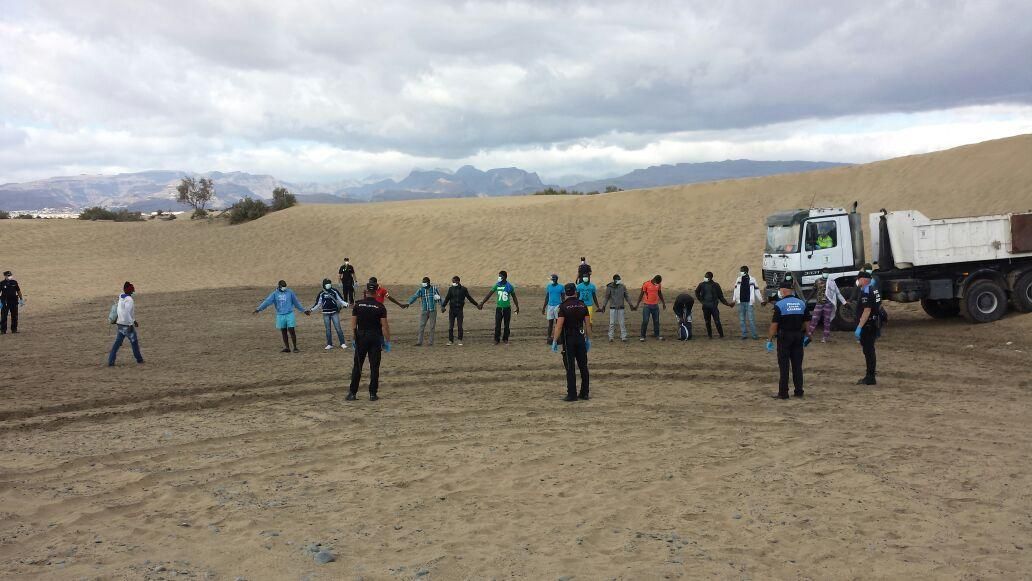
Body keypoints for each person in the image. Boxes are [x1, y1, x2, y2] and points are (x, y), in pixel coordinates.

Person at [766, 280, 812, 399]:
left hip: (784, 337)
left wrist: (769, 340)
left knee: (784, 366)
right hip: (798, 336)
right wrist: (808, 335)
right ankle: (799, 391)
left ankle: (783, 393)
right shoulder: (801, 303)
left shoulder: (780, 305)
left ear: (783, 290)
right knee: (797, 366)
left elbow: (774, 325)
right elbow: (807, 322)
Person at [347, 282, 392, 401]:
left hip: (361, 337)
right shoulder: (380, 306)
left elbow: (353, 324)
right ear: (377, 292)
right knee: (374, 367)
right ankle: (372, 394)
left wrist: (353, 338)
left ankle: (352, 393)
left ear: (366, 291)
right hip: (375, 338)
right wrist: (387, 341)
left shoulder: (358, 305)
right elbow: (384, 326)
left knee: (357, 366)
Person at [552, 282, 591, 401]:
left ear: (565, 293)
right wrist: (589, 339)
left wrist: (554, 341)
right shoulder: (582, 305)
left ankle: (572, 394)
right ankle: (584, 393)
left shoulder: (563, 307)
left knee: (570, 368)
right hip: (580, 337)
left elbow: (559, 326)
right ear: (575, 292)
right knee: (583, 366)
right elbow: (588, 325)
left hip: (569, 339)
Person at [254, 280, 311, 353]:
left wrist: (304, 310)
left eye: (285, 286)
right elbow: (267, 302)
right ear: (279, 286)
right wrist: (259, 309)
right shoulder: (274, 294)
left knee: (292, 330)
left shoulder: (290, 292)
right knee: (283, 332)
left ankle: (295, 347)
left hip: (289, 314)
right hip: (280, 315)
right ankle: (287, 348)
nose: (284, 288)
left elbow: (296, 302)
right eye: (283, 286)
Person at [855, 271, 883, 386]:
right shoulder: (874, 289)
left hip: (868, 325)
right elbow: (880, 306)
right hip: (874, 323)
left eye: (859, 279)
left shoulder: (866, 291)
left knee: (868, 351)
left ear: (863, 279)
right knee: (870, 350)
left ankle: (870, 377)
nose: (858, 281)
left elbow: (867, 310)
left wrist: (859, 327)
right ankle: (870, 375)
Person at [108, 281, 144, 366]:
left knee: (117, 344)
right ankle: (139, 360)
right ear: (131, 290)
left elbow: (123, 311)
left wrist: (134, 320)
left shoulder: (121, 296)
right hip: (127, 325)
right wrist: (131, 324)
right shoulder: (130, 300)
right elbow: (127, 313)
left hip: (119, 324)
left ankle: (110, 361)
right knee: (134, 343)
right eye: (132, 290)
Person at [807, 268, 847, 342]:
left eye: (827, 272)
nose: (826, 273)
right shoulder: (817, 281)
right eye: (825, 272)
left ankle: (825, 337)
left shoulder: (832, 282)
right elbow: (813, 290)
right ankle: (809, 334)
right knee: (814, 319)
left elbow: (838, 293)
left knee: (827, 320)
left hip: (828, 303)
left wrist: (844, 302)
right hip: (819, 303)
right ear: (822, 273)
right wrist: (807, 300)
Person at [480, 270, 519, 345]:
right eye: (499, 276)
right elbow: (489, 294)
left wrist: (517, 306)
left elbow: (514, 297)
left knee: (506, 325)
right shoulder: (497, 285)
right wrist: (482, 303)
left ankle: (505, 339)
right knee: (497, 324)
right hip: (499, 308)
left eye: (500, 276)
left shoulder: (509, 286)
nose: (499, 277)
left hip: (507, 308)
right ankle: (496, 339)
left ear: (505, 277)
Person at [310, 278, 349, 350]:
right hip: (325, 313)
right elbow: (318, 304)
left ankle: (342, 343)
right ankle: (329, 344)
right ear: (324, 285)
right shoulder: (321, 293)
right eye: (327, 283)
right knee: (328, 329)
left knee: (338, 328)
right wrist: (311, 310)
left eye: (329, 283)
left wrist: (346, 304)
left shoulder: (334, 291)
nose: (329, 285)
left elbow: (340, 300)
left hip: (334, 312)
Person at [442, 275, 479, 346]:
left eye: (454, 281)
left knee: (460, 325)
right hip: (452, 310)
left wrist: (476, 304)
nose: (453, 283)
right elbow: (447, 298)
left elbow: (469, 298)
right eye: (452, 282)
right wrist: (443, 306)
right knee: (451, 326)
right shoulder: (451, 289)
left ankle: (460, 340)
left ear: (458, 281)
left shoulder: (463, 289)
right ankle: (450, 340)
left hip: (459, 310)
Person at [730, 266, 765, 340]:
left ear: (746, 271)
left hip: (749, 302)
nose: (741, 272)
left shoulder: (752, 279)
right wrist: (733, 300)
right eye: (740, 270)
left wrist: (761, 300)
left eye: (742, 271)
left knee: (751, 319)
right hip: (740, 302)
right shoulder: (738, 279)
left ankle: (754, 335)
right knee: (742, 320)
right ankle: (744, 334)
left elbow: (757, 290)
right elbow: (735, 290)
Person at [695, 272, 732, 339]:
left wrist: (727, 304)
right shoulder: (701, 285)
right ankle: (710, 335)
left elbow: (721, 297)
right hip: (705, 306)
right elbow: (696, 292)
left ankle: (721, 335)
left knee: (717, 321)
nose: (705, 278)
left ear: (710, 278)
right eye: (705, 276)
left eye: (706, 277)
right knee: (707, 322)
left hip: (714, 306)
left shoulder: (716, 285)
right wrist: (701, 300)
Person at [408, 276, 442, 346]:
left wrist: (442, 306)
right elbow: (415, 296)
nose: (423, 284)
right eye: (422, 282)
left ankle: (430, 342)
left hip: (433, 310)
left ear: (428, 283)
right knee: (421, 326)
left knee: (432, 326)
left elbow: (438, 298)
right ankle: (419, 342)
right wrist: (409, 303)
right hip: (424, 310)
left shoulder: (434, 289)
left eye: (424, 282)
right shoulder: (421, 290)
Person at [601, 274, 633, 342]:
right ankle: (611, 336)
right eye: (618, 279)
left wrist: (630, 304)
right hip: (612, 307)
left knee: (622, 323)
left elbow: (626, 296)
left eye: (619, 279)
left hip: (621, 307)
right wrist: (604, 306)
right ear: (614, 280)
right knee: (612, 323)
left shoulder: (622, 287)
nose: (619, 280)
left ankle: (623, 336)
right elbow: (606, 297)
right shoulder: (609, 287)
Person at [635, 275, 666, 341]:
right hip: (647, 306)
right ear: (654, 279)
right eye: (657, 282)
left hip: (655, 306)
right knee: (645, 321)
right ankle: (642, 336)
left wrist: (663, 303)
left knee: (656, 321)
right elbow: (641, 294)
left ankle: (657, 335)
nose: (658, 284)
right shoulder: (646, 284)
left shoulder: (658, 284)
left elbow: (660, 293)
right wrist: (637, 304)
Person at [541, 274, 565, 343]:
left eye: (552, 279)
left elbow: (563, 298)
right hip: (550, 306)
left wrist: (563, 307)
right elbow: (547, 297)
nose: (551, 281)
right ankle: (549, 337)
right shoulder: (549, 287)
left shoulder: (561, 287)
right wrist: (544, 307)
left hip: (558, 306)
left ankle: (559, 337)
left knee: (558, 323)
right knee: (550, 323)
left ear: (555, 279)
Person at [0, 270, 23, 335]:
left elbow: (18, 291)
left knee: (14, 315)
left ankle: (14, 329)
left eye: (10, 275)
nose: (10, 276)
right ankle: (3, 330)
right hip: (5, 301)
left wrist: (21, 299)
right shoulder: (2, 283)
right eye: (8, 275)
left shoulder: (14, 282)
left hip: (14, 301)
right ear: (5, 276)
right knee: (4, 316)